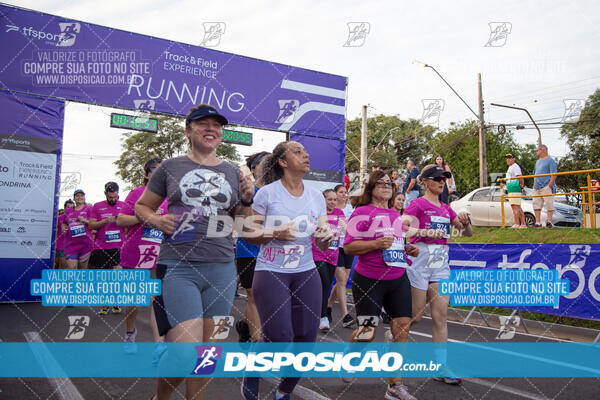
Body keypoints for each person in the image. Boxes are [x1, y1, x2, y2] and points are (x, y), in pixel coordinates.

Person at [134, 104, 254, 400]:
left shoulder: (232, 172)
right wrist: (157, 220)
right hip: (178, 266)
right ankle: (160, 397)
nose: (211, 129)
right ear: (188, 131)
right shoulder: (170, 167)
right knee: (185, 352)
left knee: (208, 354)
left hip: (222, 268)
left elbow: (243, 222)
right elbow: (141, 206)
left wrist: (248, 198)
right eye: (203, 124)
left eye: (217, 125)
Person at [241, 140, 333, 400]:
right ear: (282, 161)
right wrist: (275, 232)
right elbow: (248, 232)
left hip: (305, 270)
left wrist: (325, 236)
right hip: (271, 270)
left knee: (307, 338)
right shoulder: (268, 193)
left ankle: (283, 392)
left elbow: (320, 240)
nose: (306, 155)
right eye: (298, 152)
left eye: (305, 152)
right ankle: (252, 370)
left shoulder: (316, 196)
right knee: (279, 336)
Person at [343, 170, 420, 400]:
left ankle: (395, 386)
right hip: (369, 279)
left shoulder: (396, 215)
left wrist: (407, 250)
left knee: (403, 327)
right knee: (368, 331)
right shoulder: (361, 212)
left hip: (397, 278)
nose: (387, 186)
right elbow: (348, 247)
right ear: (371, 188)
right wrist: (375, 243)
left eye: (389, 183)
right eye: (381, 183)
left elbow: (394, 247)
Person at [403, 165, 473, 385]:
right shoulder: (417, 204)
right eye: (437, 178)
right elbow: (402, 228)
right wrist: (424, 232)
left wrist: (466, 221)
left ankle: (440, 366)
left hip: (440, 263)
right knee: (415, 317)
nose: (442, 181)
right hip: (420, 260)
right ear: (425, 182)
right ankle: (393, 336)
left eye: (444, 178)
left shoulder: (446, 208)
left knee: (440, 317)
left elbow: (467, 233)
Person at [116, 158, 168, 357]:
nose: (158, 173)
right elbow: (121, 220)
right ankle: (130, 333)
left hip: (159, 255)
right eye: (154, 170)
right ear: (147, 174)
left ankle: (159, 345)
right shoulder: (137, 193)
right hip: (135, 254)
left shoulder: (168, 198)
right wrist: (145, 216)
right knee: (135, 301)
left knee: (157, 300)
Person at [234, 151, 270, 343]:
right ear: (254, 169)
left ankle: (244, 325)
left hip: (273, 252)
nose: (270, 166)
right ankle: (258, 346)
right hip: (248, 250)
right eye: (265, 163)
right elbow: (241, 224)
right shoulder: (248, 191)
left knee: (268, 299)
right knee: (254, 296)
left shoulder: (281, 192)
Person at [89, 181, 126, 315]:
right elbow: (92, 226)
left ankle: (115, 302)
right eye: (110, 197)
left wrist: (121, 221)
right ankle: (105, 304)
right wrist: (105, 221)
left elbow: (129, 223)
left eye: (115, 197)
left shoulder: (123, 205)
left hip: (118, 246)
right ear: (105, 194)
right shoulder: (97, 206)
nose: (113, 199)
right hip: (101, 247)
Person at [314, 189, 344, 332]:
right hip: (317, 255)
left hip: (333, 256)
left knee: (325, 285)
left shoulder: (339, 214)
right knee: (325, 283)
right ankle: (323, 317)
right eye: (329, 199)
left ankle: (315, 314)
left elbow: (346, 229)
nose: (332, 202)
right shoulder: (318, 214)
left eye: (334, 199)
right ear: (323, 200)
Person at [327, 184, 355, 328]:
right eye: (341, 192)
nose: (344, 194)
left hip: (348, 246)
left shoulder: (351, 209)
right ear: (335, 194)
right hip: (336, 247)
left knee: (341, 282)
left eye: (345, 192)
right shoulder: (331, 210)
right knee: (342, 280)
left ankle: (328, 306)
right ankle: (345, 315)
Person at [62, 189, 93, 269]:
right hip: (71, 245)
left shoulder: (89, 209)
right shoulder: (68, 210)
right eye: (77, 196)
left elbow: (94, 224)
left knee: (82, 270)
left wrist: (85, 221)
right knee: (72, 269)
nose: (79, 197)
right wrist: (64, 227)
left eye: (81, 195)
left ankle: (81, 282)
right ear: (74, 198)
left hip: (85, 245)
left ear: (84, 198)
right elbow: (64, 222)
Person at [533, 144, 557, 228]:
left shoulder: (550, 160)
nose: (536, 152)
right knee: (536, 204)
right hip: (536, 187)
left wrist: (549, 185)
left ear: (543, 150)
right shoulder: (537, 161)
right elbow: (535, 173)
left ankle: (549, 221)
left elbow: (554, 174)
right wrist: (534, 184)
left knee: (549, 204)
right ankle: (538, 222)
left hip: (546, 186)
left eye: (537, 150)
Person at [504, 153, 526, 228]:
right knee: (516, 207)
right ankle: (522, 224)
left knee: (515, 207)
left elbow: (520, 177)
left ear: (514, 159)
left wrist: (522, 187)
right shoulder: (510, 167)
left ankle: (518, 223)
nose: (508, 159)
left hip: (515, 189)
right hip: (511, 189)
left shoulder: (515, 166)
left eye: (510, 158)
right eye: (507, 158)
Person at [56, 199, 74, 269]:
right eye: (68, 207)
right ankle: (58, 279)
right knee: (62, 264)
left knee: (68, 266)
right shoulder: (59, 218)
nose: (70, 209)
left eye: (72, 207)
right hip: (61, 245)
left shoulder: (75, 218)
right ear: (64, 208)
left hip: (72, 246)